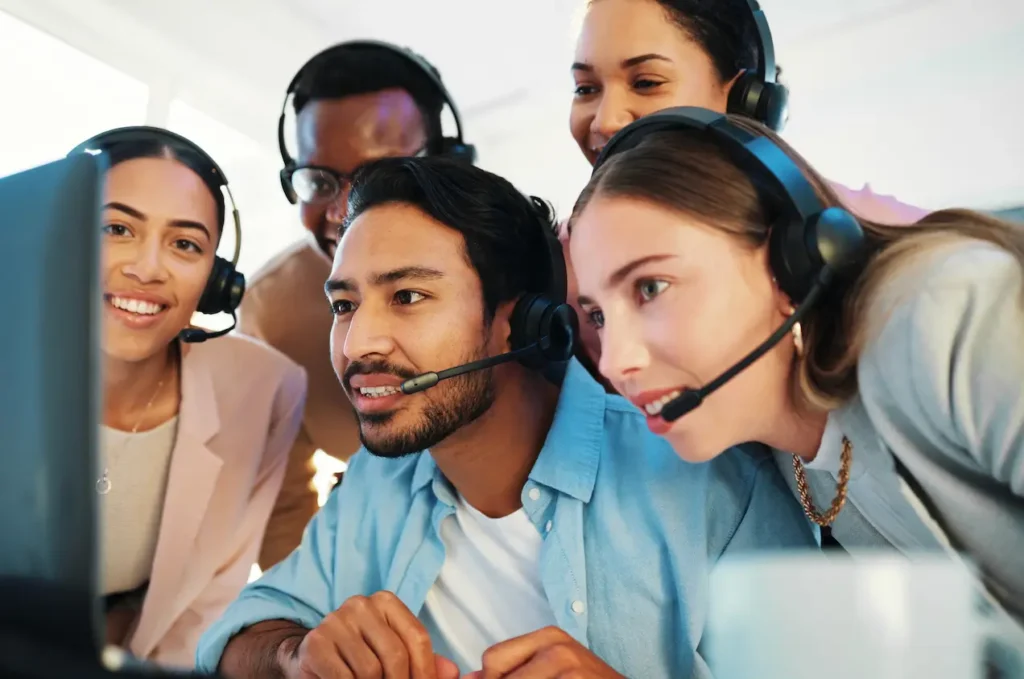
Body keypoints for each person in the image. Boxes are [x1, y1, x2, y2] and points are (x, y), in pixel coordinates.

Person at [194, 156, 818, 678]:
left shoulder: (714, 477)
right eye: (345, 304)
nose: (357, 345)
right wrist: (296, 654)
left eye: (407, 296)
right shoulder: (378, 481)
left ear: (518, 324)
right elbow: (234, 636)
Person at [567, 108, 1024, 625]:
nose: (616, 362)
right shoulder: (793, 461)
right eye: (598, 316)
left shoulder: (945, 314)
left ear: (794, 264)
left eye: (651, 288)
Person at [562, 0, 931, 377]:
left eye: (645, 83)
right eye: (586, 88)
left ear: (745, 99)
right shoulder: (561, 265)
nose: (606, 120)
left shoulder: (882, 242)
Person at [71, 127, 307, 667]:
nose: (147, 268)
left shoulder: (263, 389)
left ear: (215, 279)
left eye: (185, 243)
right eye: (116, 227)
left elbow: (201, 611)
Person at [240, 41, 476, 569]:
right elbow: (283, 512)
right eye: (320, 181)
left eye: (380, 174)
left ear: (447, 164)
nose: (348, 210)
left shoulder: (537, 263)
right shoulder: (269, 316)